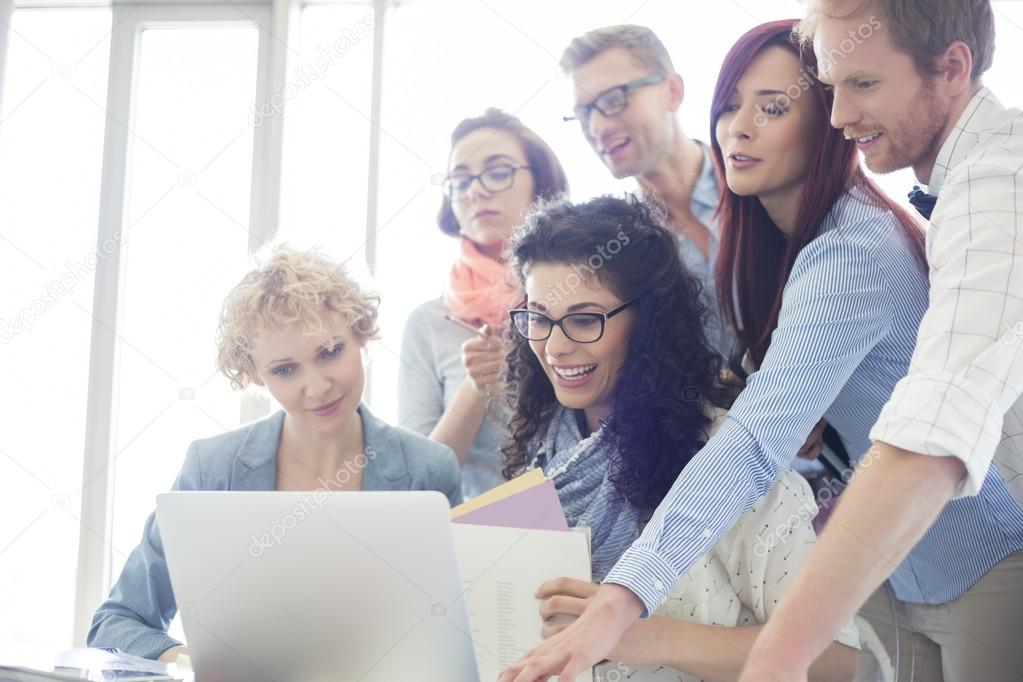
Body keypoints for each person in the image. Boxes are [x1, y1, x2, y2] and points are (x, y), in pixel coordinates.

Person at [500, 18, 1022, 682]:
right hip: (889, 571)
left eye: (773, 108)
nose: (736, 128)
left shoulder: (853, 249)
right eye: (728, 107)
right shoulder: (773, 248)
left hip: (977, 559)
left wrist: (620, 604)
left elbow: (753, 441)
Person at [740, 2, 1023, 680]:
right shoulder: (959, 182)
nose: (838, 117)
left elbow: (933, 425)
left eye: (862, 85)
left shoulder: (996, 185)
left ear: (952, 68)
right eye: (831, 87)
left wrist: (780, 652)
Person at [502, 194, 860, 681]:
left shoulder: (723, 458)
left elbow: (837, 662)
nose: (556, 347)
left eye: (585, 319)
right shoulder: (542, 455)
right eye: (539, 317)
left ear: (646, 322)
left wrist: (649, 636)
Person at [88, 246, 462, 661]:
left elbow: (459, 635)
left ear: (361, 331)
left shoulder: (428, 471)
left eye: (329, 352)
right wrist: (194, 664)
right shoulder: (213, 470)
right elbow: (114, 624)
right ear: (254, 373)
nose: (318, 387)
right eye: (285, 370)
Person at [398, 108, 568, 499]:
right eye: (460, 180)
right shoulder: (428, 323)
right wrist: (476, 389)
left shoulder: (583, 298)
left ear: (540, 182)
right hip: (475, 544)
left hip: (591, 540)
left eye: (497, 172)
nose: (475, 191)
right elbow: (417, 481)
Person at [560, 24, 734, 361]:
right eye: (584, 113)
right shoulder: (616, 247)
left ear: (672, 91)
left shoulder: (759, 176)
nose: (597, 128)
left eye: (613, 99)